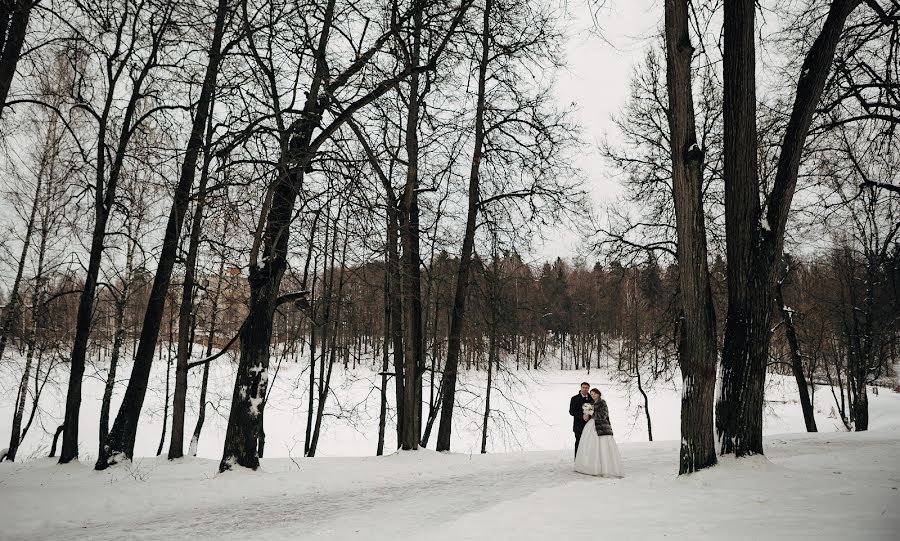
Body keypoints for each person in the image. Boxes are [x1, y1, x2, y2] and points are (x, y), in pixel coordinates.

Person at [574, 388, 624, 478]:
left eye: (594, 394)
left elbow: (603, 415)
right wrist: (586, 415)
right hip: (591, 425)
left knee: (603, 447)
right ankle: (590, 467)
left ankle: (605, 467)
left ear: (598, 394)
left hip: (601, 427)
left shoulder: (602, 402)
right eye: (591, 394)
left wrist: (592, 412)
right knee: (590, 446)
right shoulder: (591, 403)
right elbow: (590, 414)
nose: (593, 395)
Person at [569, 382, 592, 458]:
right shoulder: (574, 398)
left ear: (588, 388)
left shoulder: (591, 398)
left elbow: (593, 410)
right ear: (581, 388)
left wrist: (589, 415)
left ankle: (587, 461)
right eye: (583, 387)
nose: (585, 389)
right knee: (579, 442)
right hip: (578, 426)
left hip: (589, 425)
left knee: (588, 444)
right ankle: (577, 462)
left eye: (586, 388)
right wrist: (582, 416)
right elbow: (571, 412)